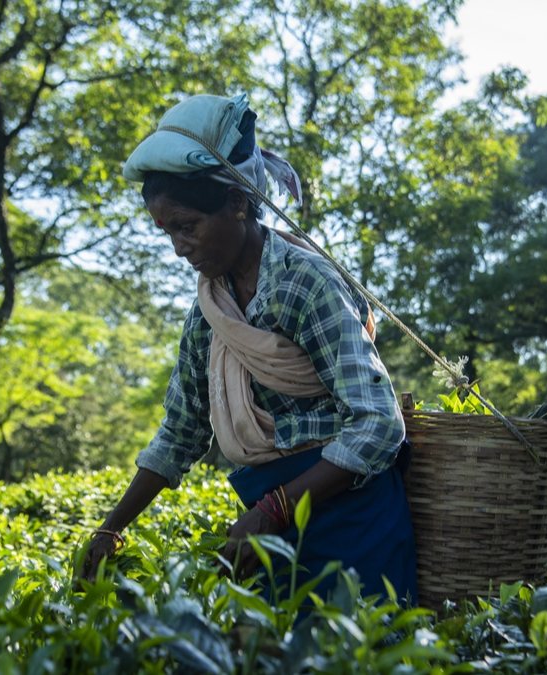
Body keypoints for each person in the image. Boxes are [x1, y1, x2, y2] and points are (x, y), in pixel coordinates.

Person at [77, 93, 416, 604]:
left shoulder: (306, 284)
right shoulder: (210, 311)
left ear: (237, 204)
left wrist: (275, 508)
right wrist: (110, 527)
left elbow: (378, 422)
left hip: (351, 520)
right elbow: (181, 431)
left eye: (187, 226)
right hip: (267, 528)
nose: (179, 248)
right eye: (167, 232)